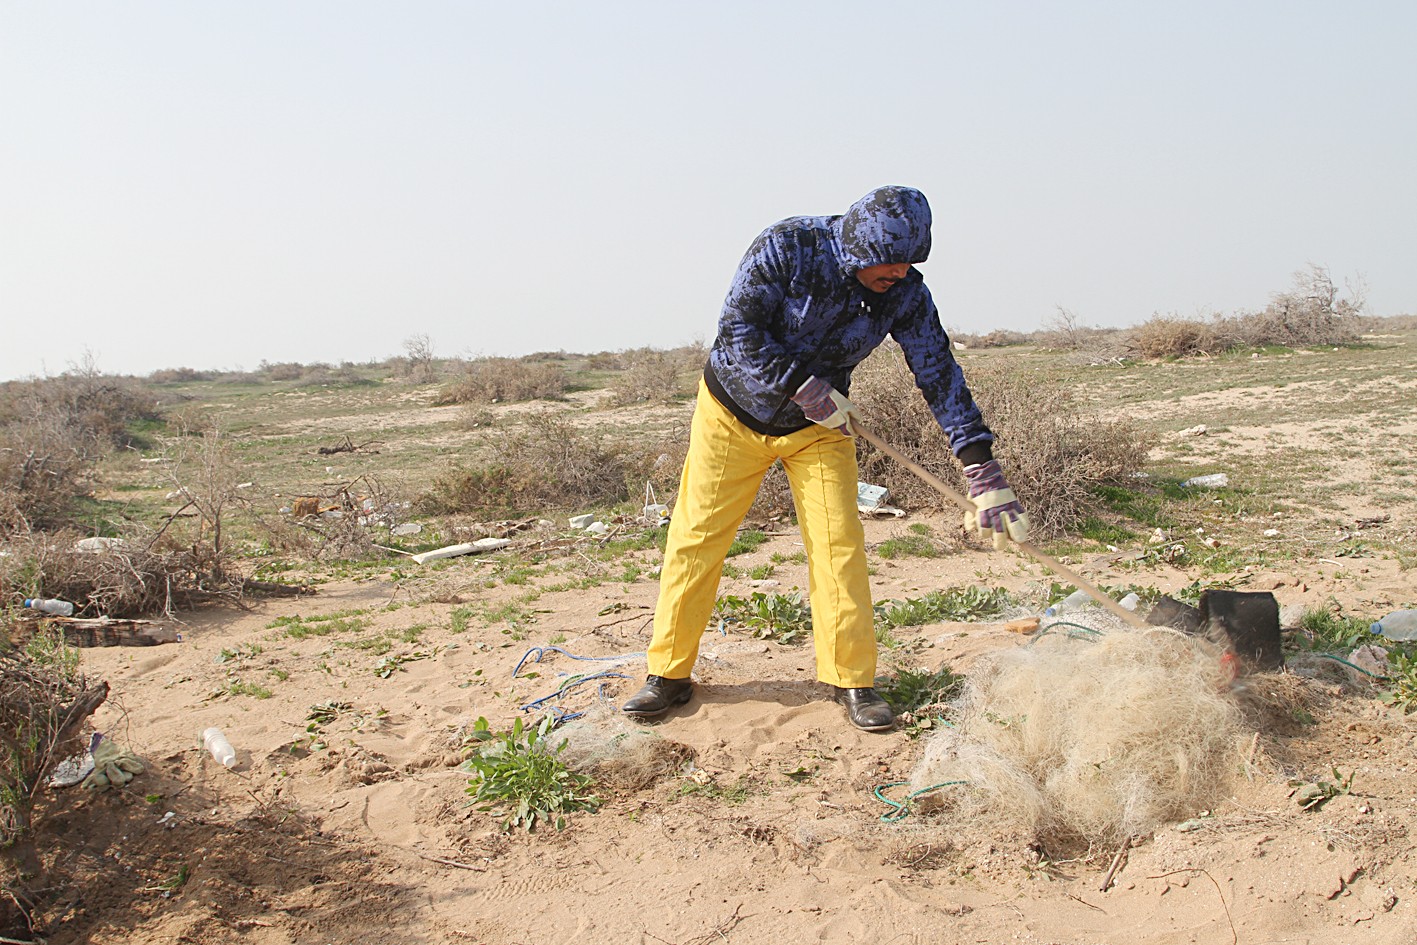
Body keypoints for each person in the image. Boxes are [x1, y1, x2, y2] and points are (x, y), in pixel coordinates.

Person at [622, 185, 1028, 731]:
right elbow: (738, 334)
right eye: (889, 262)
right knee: (696, 541)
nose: (901, 273)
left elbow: (938, 372)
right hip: (732, 416)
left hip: (821, 430)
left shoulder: (905, 292)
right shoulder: (786, 246)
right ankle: (667, 676)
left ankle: (851, 681)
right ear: (857, 249)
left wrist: (982, 468)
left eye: (912, 261)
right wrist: (800, 385)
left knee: (839, 549)